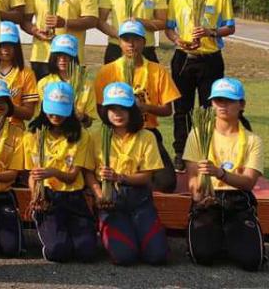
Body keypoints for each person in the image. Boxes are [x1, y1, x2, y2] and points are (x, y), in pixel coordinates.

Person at [184, 77, 266, 271]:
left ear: (241, 104)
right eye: (218, 100)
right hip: (208, 199)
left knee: (252, 262)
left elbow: (248, 183)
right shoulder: (197, 134)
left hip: (237, 199)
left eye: (229, 100)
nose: (222, 105)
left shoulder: (253, 140)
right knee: (202, 256)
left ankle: (231, 237)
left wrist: (220, 173)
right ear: (212, 103)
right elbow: (193, 180)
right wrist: (198, 197)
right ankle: (221, 238)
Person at [166, 0, 235, 171]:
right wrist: (178, 40)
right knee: (182, 109)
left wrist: (210, 32)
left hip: (209, 59)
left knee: (208, 109)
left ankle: (206, 151)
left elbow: (230, 27)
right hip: (183, 58)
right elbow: (169, 28)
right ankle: (181, 152)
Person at [85, 82, 169, 266]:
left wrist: (120, 177)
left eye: (123, 108)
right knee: (125, 257)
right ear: (105, 111)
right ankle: (108, 228)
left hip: (139, 200)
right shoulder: (96, 136)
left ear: (132, 110)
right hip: (111, 201)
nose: (118, 114)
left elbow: (146, 176)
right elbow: (89, 172)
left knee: (157, 256)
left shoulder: (146, 136)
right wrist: (99, 195)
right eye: (112, 109)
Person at [93, 20, 180, 192]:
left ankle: (137, 185)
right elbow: (100, 109)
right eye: (126, 39)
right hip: (115, 133)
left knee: (167, 183)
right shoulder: (107, 71)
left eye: (136, 39)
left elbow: (167, 110)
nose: (131, 44)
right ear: (120, 42)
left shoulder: (157, 71)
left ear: (144, 42)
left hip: (147, 131)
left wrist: (145, 108)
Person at [24, 81, 97, 263]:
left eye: (61, 111)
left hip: (73, 197)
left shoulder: (81, 135)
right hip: (48, 198)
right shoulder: (33, 135)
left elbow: (72, 177)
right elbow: (33, 175)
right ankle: (49, 231)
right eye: (52, 110)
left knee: (87, 252)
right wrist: (35, 196)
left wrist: (53, 172)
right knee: (58, 252)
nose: (56, 116)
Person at [0, 79, 25, 258]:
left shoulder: (17, 134)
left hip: (3, 195)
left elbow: (13, 174)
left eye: (2, 101)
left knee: (11, 249)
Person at [34, 35, 97, 127]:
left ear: (74, 57)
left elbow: (91, 123)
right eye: (58, 55)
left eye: (67, 55)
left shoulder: (86, 85)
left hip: (77, 132)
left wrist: (82, 117)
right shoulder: (43, 84)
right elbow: (39, 116)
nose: (62, 59)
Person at [0, 20, 38, 126]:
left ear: (17, 46)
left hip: (14, 129)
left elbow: (29, 113)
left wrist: (9, 108)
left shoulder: (26, 73)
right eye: (2, 45)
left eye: (11, 45)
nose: (6, 49)